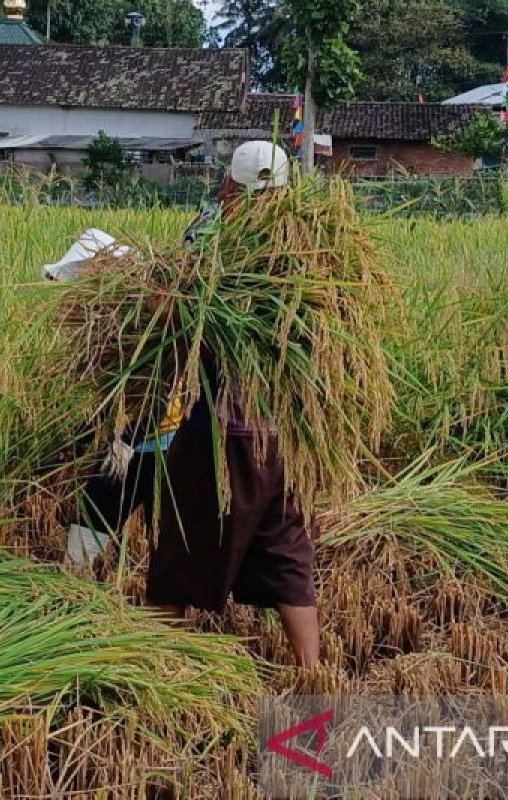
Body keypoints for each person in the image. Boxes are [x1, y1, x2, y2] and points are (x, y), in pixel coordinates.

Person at [146, 141, 321, 667]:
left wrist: (154, 301)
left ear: (231, 187)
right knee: (286, 544)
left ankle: (150, 667)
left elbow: (181, 312)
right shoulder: (312, 243)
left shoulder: (212, 233)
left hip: (220, 423)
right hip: (286, 427)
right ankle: (312, 670)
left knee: (183, 541)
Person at [43, 230, 181, 565]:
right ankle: (74, 584)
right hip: (132, 439)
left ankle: (152, 606)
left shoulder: (150, 311)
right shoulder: (111, 315)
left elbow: (156, 384)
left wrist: (125, 440)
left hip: (160, 441)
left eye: (93, 269)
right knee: (98, 512)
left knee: (166, 541)